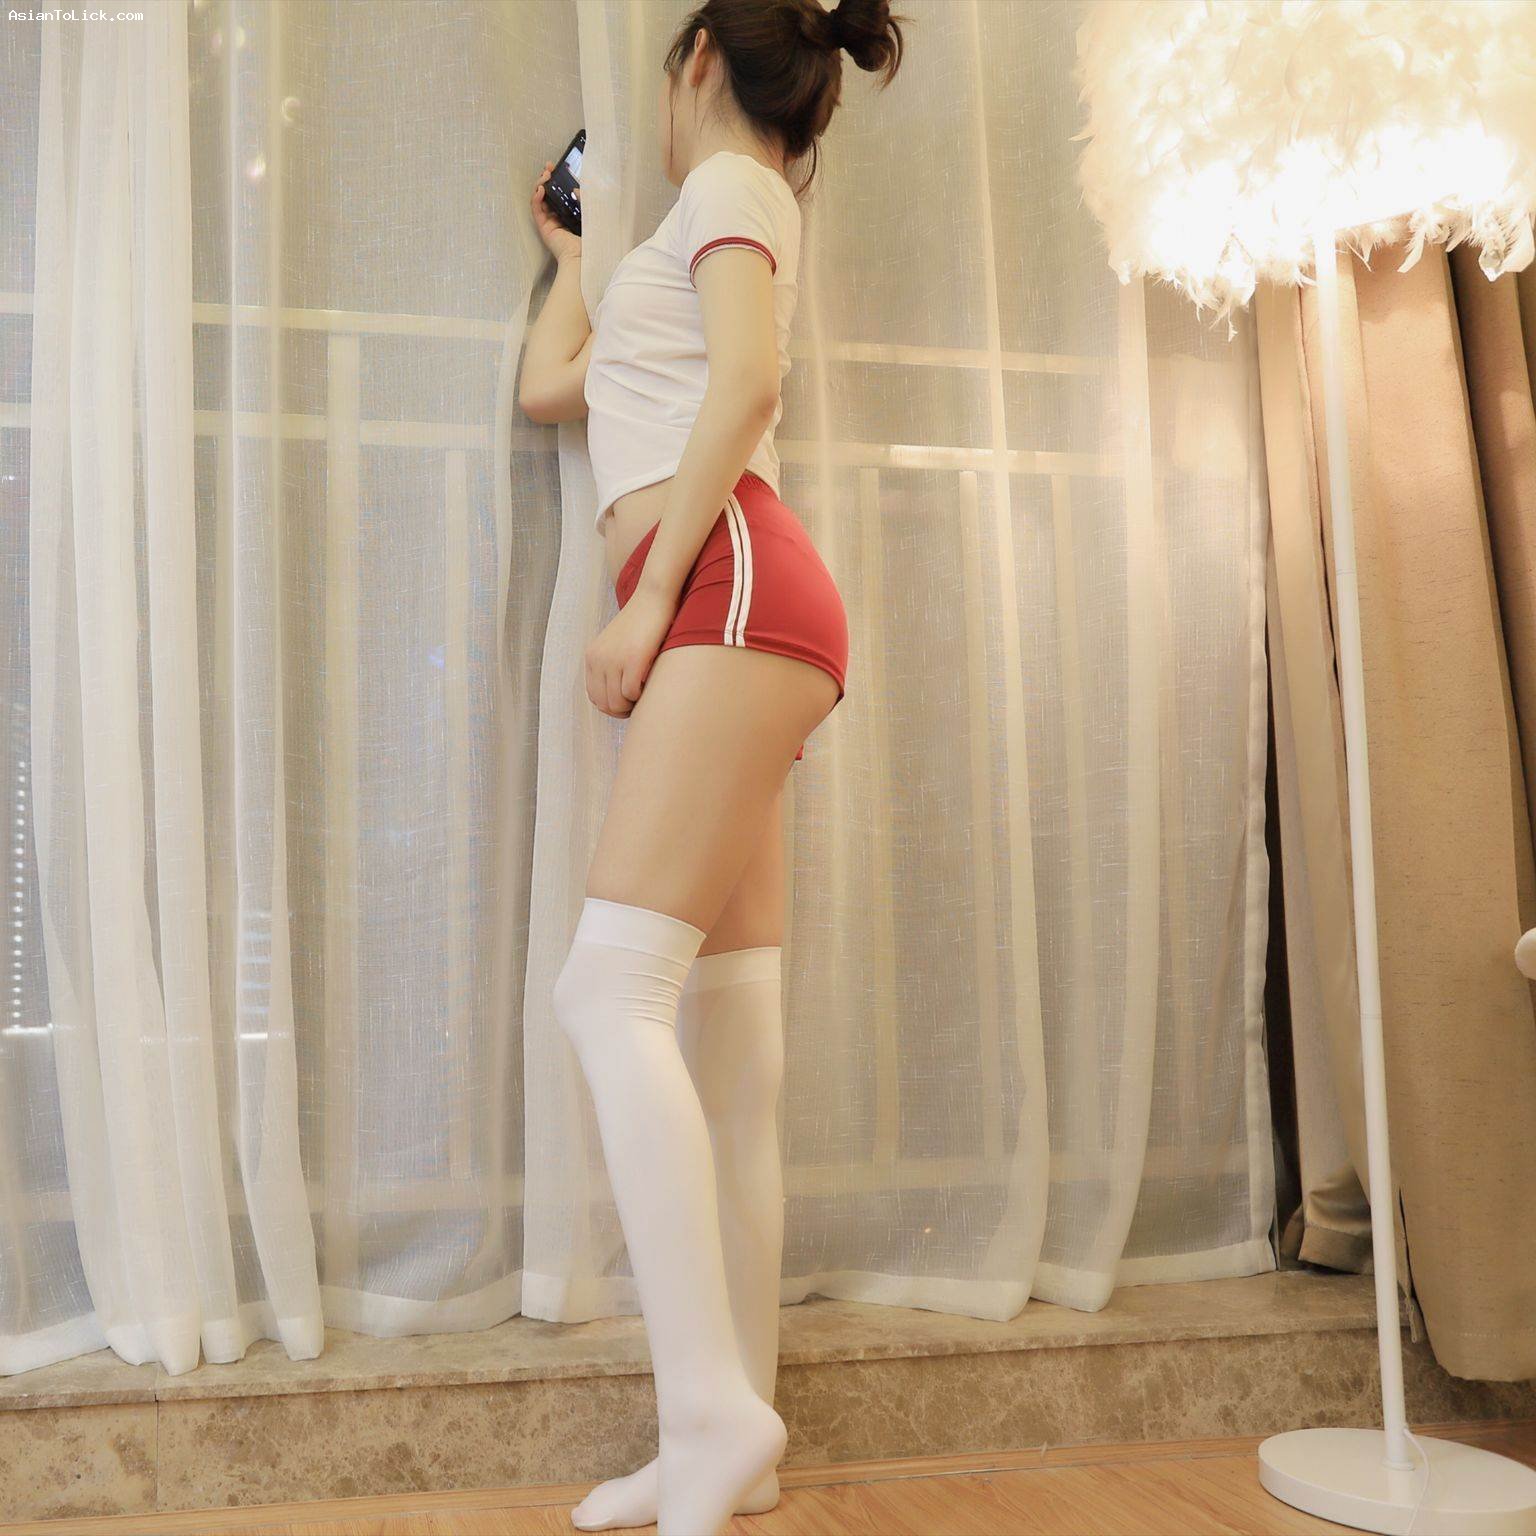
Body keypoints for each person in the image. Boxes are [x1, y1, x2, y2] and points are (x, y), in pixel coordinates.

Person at [518, 2, 905, 1532]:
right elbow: (550, 390)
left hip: (727, 592)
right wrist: (569, 265)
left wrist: (646, 603)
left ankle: (710, 1413)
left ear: (695, 60)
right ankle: (731, 1448)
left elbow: (744, 387)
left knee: (605, 992)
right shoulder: (691, 230)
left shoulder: (734, 188)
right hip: (747, 604)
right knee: (732, 1043)